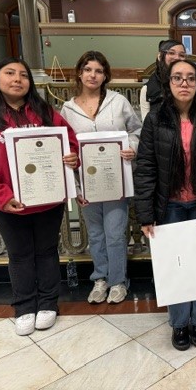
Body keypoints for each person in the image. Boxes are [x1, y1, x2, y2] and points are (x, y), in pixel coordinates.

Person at [0, 57, 79, 336]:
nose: (17, 79)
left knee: (47, 251)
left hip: (48, 199)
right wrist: (1, 196)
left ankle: (49, 302)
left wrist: (72, 156)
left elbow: (69, 140)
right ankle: (25, 305)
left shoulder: (45, 111)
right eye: (10, 73)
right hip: (9, 203)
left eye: (23, 75)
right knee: (20, 254)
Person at [134, 59, 196, 351]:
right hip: (170, 206)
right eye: (177, 78)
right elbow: (146, 167)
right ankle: (178, 323)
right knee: (175, 267)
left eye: (190, 78)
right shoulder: (155, 119)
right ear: (168, 83)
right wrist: (146, 215)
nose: (184, 83)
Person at [61, 51, 142, 305]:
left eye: (98, 70)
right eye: (87, 70)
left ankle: (118, 281)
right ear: (79, 73)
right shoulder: (68, 108)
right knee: (96, 234)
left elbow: (137, 130)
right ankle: (100, 279)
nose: (92, 75)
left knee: (116, 232)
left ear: (105, 75)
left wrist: (132, 147)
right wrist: (71, 162)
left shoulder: (118, 102)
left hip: (116, 179)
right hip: (87, 182)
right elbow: (66, 145)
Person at [139, 39, 187, 121]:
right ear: (160, 56)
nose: (177, 58)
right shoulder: (147, 89)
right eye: (171, 53)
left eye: (181, 55)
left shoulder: (190, 84)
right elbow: (147, 123)